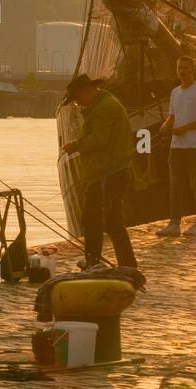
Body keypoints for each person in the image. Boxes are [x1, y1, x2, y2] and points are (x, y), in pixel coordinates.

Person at [62, 74, 138, 270]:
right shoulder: (99, 105)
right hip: (101, 172)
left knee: (112, 221)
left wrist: (76, 145)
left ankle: (127, 265)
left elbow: (99, 139)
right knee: (91, 218)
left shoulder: (106, 107)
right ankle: (93, 261)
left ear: (87, 91)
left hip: (110, 172)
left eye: (77, 99)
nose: (77, 104)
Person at [157, 55, 196, 238]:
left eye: (186, 68)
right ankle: (174, 223)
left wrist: (183, 129)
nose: (182, 71)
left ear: (192, 70)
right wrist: (166, 125)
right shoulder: (175, 92)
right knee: (175, 184)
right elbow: (172, 116)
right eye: (179, 68)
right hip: (177, 145)